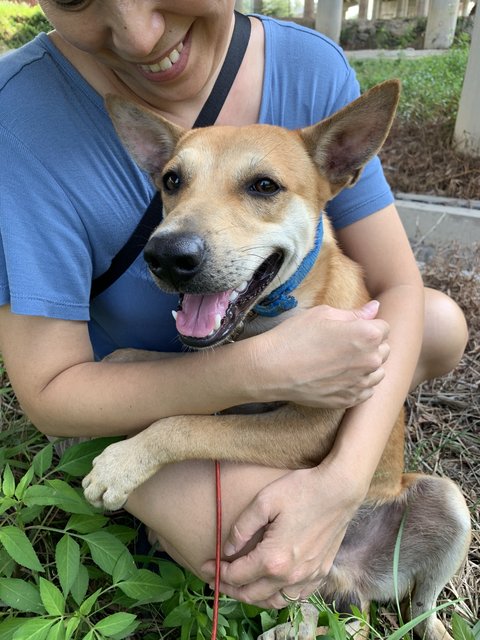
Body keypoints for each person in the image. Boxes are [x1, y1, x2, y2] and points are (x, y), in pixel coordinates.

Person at [0, 0, 468, 612]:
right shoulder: (18, 121)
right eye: (174, 179)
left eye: (262, 186)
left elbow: (396, 292)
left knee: (436, 322)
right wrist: (258, 372)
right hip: (152, 392)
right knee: (242, 534)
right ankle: (293, 594)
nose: (141, 35)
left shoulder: (308, 74)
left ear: (341, 162)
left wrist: (342, 482)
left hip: (354, 468)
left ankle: (419, 613)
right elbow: (49, 393)